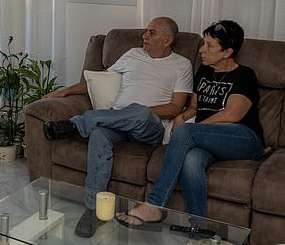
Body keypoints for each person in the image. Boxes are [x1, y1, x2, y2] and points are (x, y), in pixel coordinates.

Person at [42, 17, 193, 238]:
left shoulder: (182, 65)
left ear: (167, 39)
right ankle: (93, 209)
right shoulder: (132, 54)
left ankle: (77, 123)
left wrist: (139, 112)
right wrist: (64, 91)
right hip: (116, 123)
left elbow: (175, 107)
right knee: (99, 135)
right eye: (145, 31)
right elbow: (98, 81)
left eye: (151, 33)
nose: (144, 36)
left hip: (149, 127)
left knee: (139, 111)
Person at [116, 20, 264, 230]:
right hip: (210, 139)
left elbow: (233, 114)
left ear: (227, 52)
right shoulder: (203, 72)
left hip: (244, 138)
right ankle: (199, 229)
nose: (202, 50)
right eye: (203, 43)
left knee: (188, 133)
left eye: (210, 46)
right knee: (191, 160)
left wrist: (192, 129)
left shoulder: (244, 75)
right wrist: (182, 117)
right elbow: (195, 107)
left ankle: (154, 204)